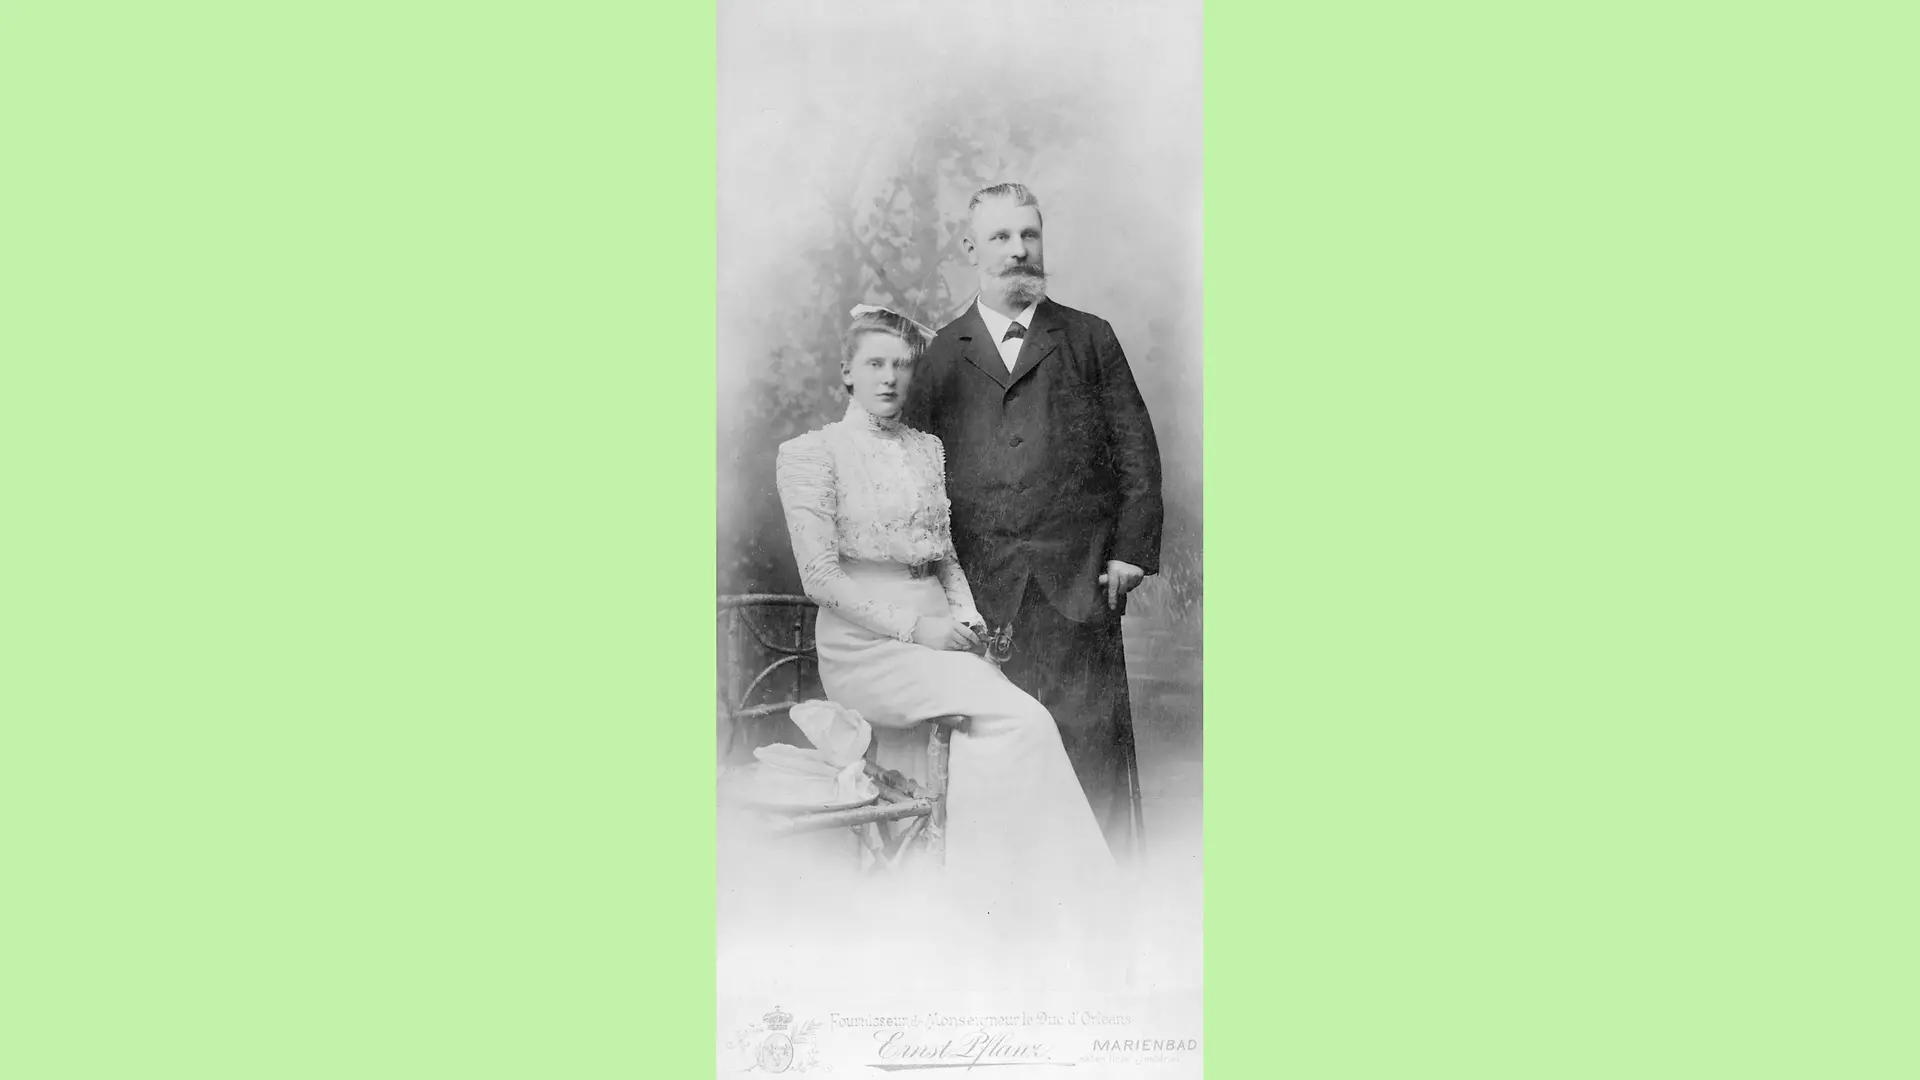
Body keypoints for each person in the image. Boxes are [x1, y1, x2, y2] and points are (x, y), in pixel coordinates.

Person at [771, 305, 1114, 929]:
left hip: (939, 633)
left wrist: (968, 617)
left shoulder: (927, 450)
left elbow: (945, 554)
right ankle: (999, 905)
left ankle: (1023, 909)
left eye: (902, 365)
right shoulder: (810, 454)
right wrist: (920, 630)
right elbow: (821, 579)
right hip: (866, 646)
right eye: (875, 364)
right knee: (1024, 722)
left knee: (1003, 736)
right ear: (846, 372)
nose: (890, 378)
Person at [905, 182, 1164, 854]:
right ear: (971, 249)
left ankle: (1109, 918)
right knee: (999, 766)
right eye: (1000, 237)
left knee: (1093, 762)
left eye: (1029, 235)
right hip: (986, 600)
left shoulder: (1088, 339)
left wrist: (1131, 550)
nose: (1019, 250)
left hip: (1079, 591)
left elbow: (1135, 448)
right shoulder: (939, 357)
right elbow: (917, 480)